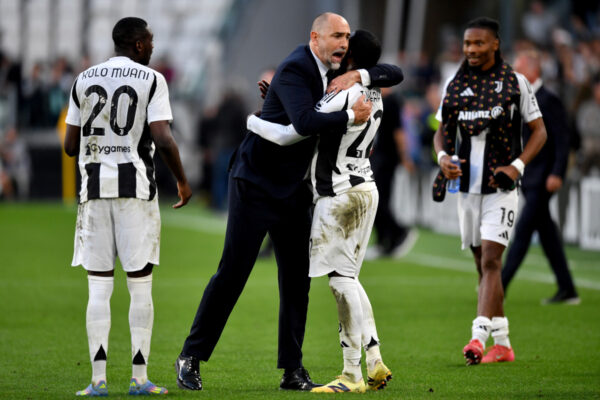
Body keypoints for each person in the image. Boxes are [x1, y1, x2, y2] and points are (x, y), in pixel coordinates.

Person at [175, 12, 403, 391]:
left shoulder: (337, 73)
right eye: (336, 36)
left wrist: (359, 76)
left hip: (295, 189)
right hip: (256, 183)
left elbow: (391, 72)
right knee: (233, 273)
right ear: (315, 38)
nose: (343, 43)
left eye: (347, 37)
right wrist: (349, 114)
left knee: (297, 281)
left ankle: (293, 369)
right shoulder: (297, 67)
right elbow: (301, 124)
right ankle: (191, 357)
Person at [247, 29, 393, 393]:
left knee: (341, 281)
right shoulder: (373, 93)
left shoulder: (341, 92)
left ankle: (352, 374)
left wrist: (252, 120)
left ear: (349, 58)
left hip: (338, 195)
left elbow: (292, 131)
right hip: (366, 189)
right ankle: (374, 359)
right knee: (350, 278)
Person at [64, 17, 192, 396]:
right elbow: (163, 137)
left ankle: (97, 380)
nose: (152, 47)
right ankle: (139, 378)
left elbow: (71, 146)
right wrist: (183, 181)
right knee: (140, 286)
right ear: (137, 45)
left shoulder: (83, 80)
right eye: (149, 42)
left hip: (93, 193)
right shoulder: (151, 79)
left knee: (98, 289)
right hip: (135, 192)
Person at [432, 17, 547, 365]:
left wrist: (517, 166)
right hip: (466, 188)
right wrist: (442, 157)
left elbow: (539, 131)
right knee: (483, 270)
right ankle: (504, 345)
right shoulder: (456, 83)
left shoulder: (515, 83)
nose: (471, 50)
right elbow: (441, 130)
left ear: (495, 44)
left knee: (492, 261)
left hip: (501, 187)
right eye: (468, 44)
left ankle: (477, 339)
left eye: (479, 44)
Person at [502, 50, 579, 305]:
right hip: (530, 176)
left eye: (519, 67)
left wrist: (557, 172)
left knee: (522, 232)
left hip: (544, 177)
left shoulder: (549, 99)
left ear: (533, 71)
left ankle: (498, 288)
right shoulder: (521, 98)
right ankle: (567, 288)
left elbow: (562, 139)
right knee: (548, 236)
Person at [367, 87, 418, 259]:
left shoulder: (392, 101)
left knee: (380, 200)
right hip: (377, 157)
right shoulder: (376, 100)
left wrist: (405, 157)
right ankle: (383, 241)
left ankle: (399, 231)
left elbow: (399, 132)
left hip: (387, 158)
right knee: (373, 201)